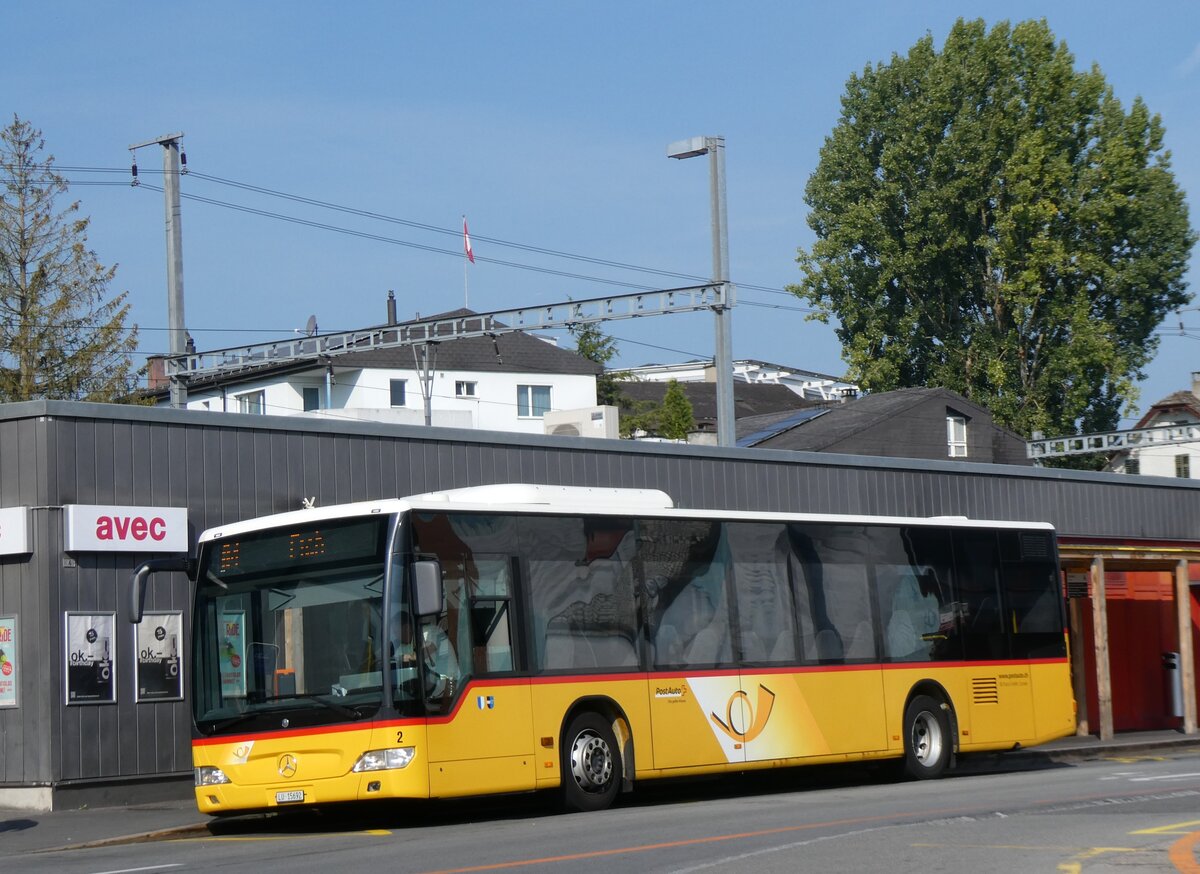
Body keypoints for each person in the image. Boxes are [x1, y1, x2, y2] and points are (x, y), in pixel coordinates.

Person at [390, 606, 458, 701]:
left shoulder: (429, 631)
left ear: (407, 627)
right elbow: (397, 660)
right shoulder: (402, 646)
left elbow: (427, 651)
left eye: (396, 631)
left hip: (449, 684)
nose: (395, 635)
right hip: (428, 688)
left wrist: (406, 658)